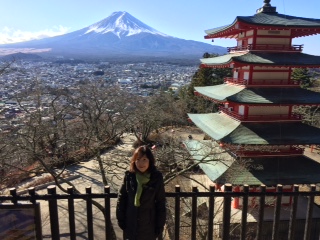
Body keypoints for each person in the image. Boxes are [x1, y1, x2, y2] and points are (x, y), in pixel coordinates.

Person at [116, 145, 166, 240]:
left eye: (144, 159)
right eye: (138, 159)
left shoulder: (156, 177)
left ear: (150, 161)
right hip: (130, 224)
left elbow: (160, 202)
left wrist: (160, 225)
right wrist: (121, 220)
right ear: (134, 161)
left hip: (149, 225)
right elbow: (122, 199)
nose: (140, 163)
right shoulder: (129, 176)